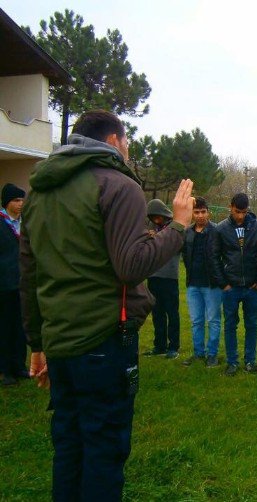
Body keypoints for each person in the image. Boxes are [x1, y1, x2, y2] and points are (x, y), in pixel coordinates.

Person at [19, 109, 193, 501]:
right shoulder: (117, 184)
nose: (128, 149)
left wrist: (37, 344)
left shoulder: (39, 192)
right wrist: (177, 226)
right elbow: (131, 266)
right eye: (127, 141)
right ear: (114, 141)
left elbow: (28, 276)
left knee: (69, 445)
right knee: (103, 448)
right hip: (104, 340)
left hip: (59, 344)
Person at [209, 193, 257, 376]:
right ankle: (232, 362)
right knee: (230, 325)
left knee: (252, 324)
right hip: (231, 288)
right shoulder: (220, 229)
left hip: (252, 287)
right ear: (230, 207)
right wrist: (224, 284)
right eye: (237, 211)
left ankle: (250, 361)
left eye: (244, 212)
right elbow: (214, 258)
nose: (241, 216)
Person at [182, 197, 222, 368]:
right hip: (193, 284)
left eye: (203, 212)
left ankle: (212, 354)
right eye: (196, 212)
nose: (200, 215)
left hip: (212, 285)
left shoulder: (217, 231)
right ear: (192, 213)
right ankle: (198, 353)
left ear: (208, 212)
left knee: (213, 320)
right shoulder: (187, 232)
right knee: (196, 321)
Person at [144, 199, 181, 359]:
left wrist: (157, 236)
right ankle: (159, 346)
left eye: (157, 217)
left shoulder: (174, 228)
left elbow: (177, 245)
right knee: (157, 313)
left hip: (169, 277)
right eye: (153, 218)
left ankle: (173, 347)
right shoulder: (151, 229)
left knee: (172, 313)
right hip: (153, 276)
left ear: (163, 214)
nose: (155, 220)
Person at [0, 183, 28, 386]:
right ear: (7, 202)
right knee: (4, 327)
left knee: (20, 327)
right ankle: (4, 370)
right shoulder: (2, 224)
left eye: (21, 200)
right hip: (3, 285)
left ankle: (19, 365)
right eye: (16, 200)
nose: (20, 204)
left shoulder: (24, 224)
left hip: (21, 284)